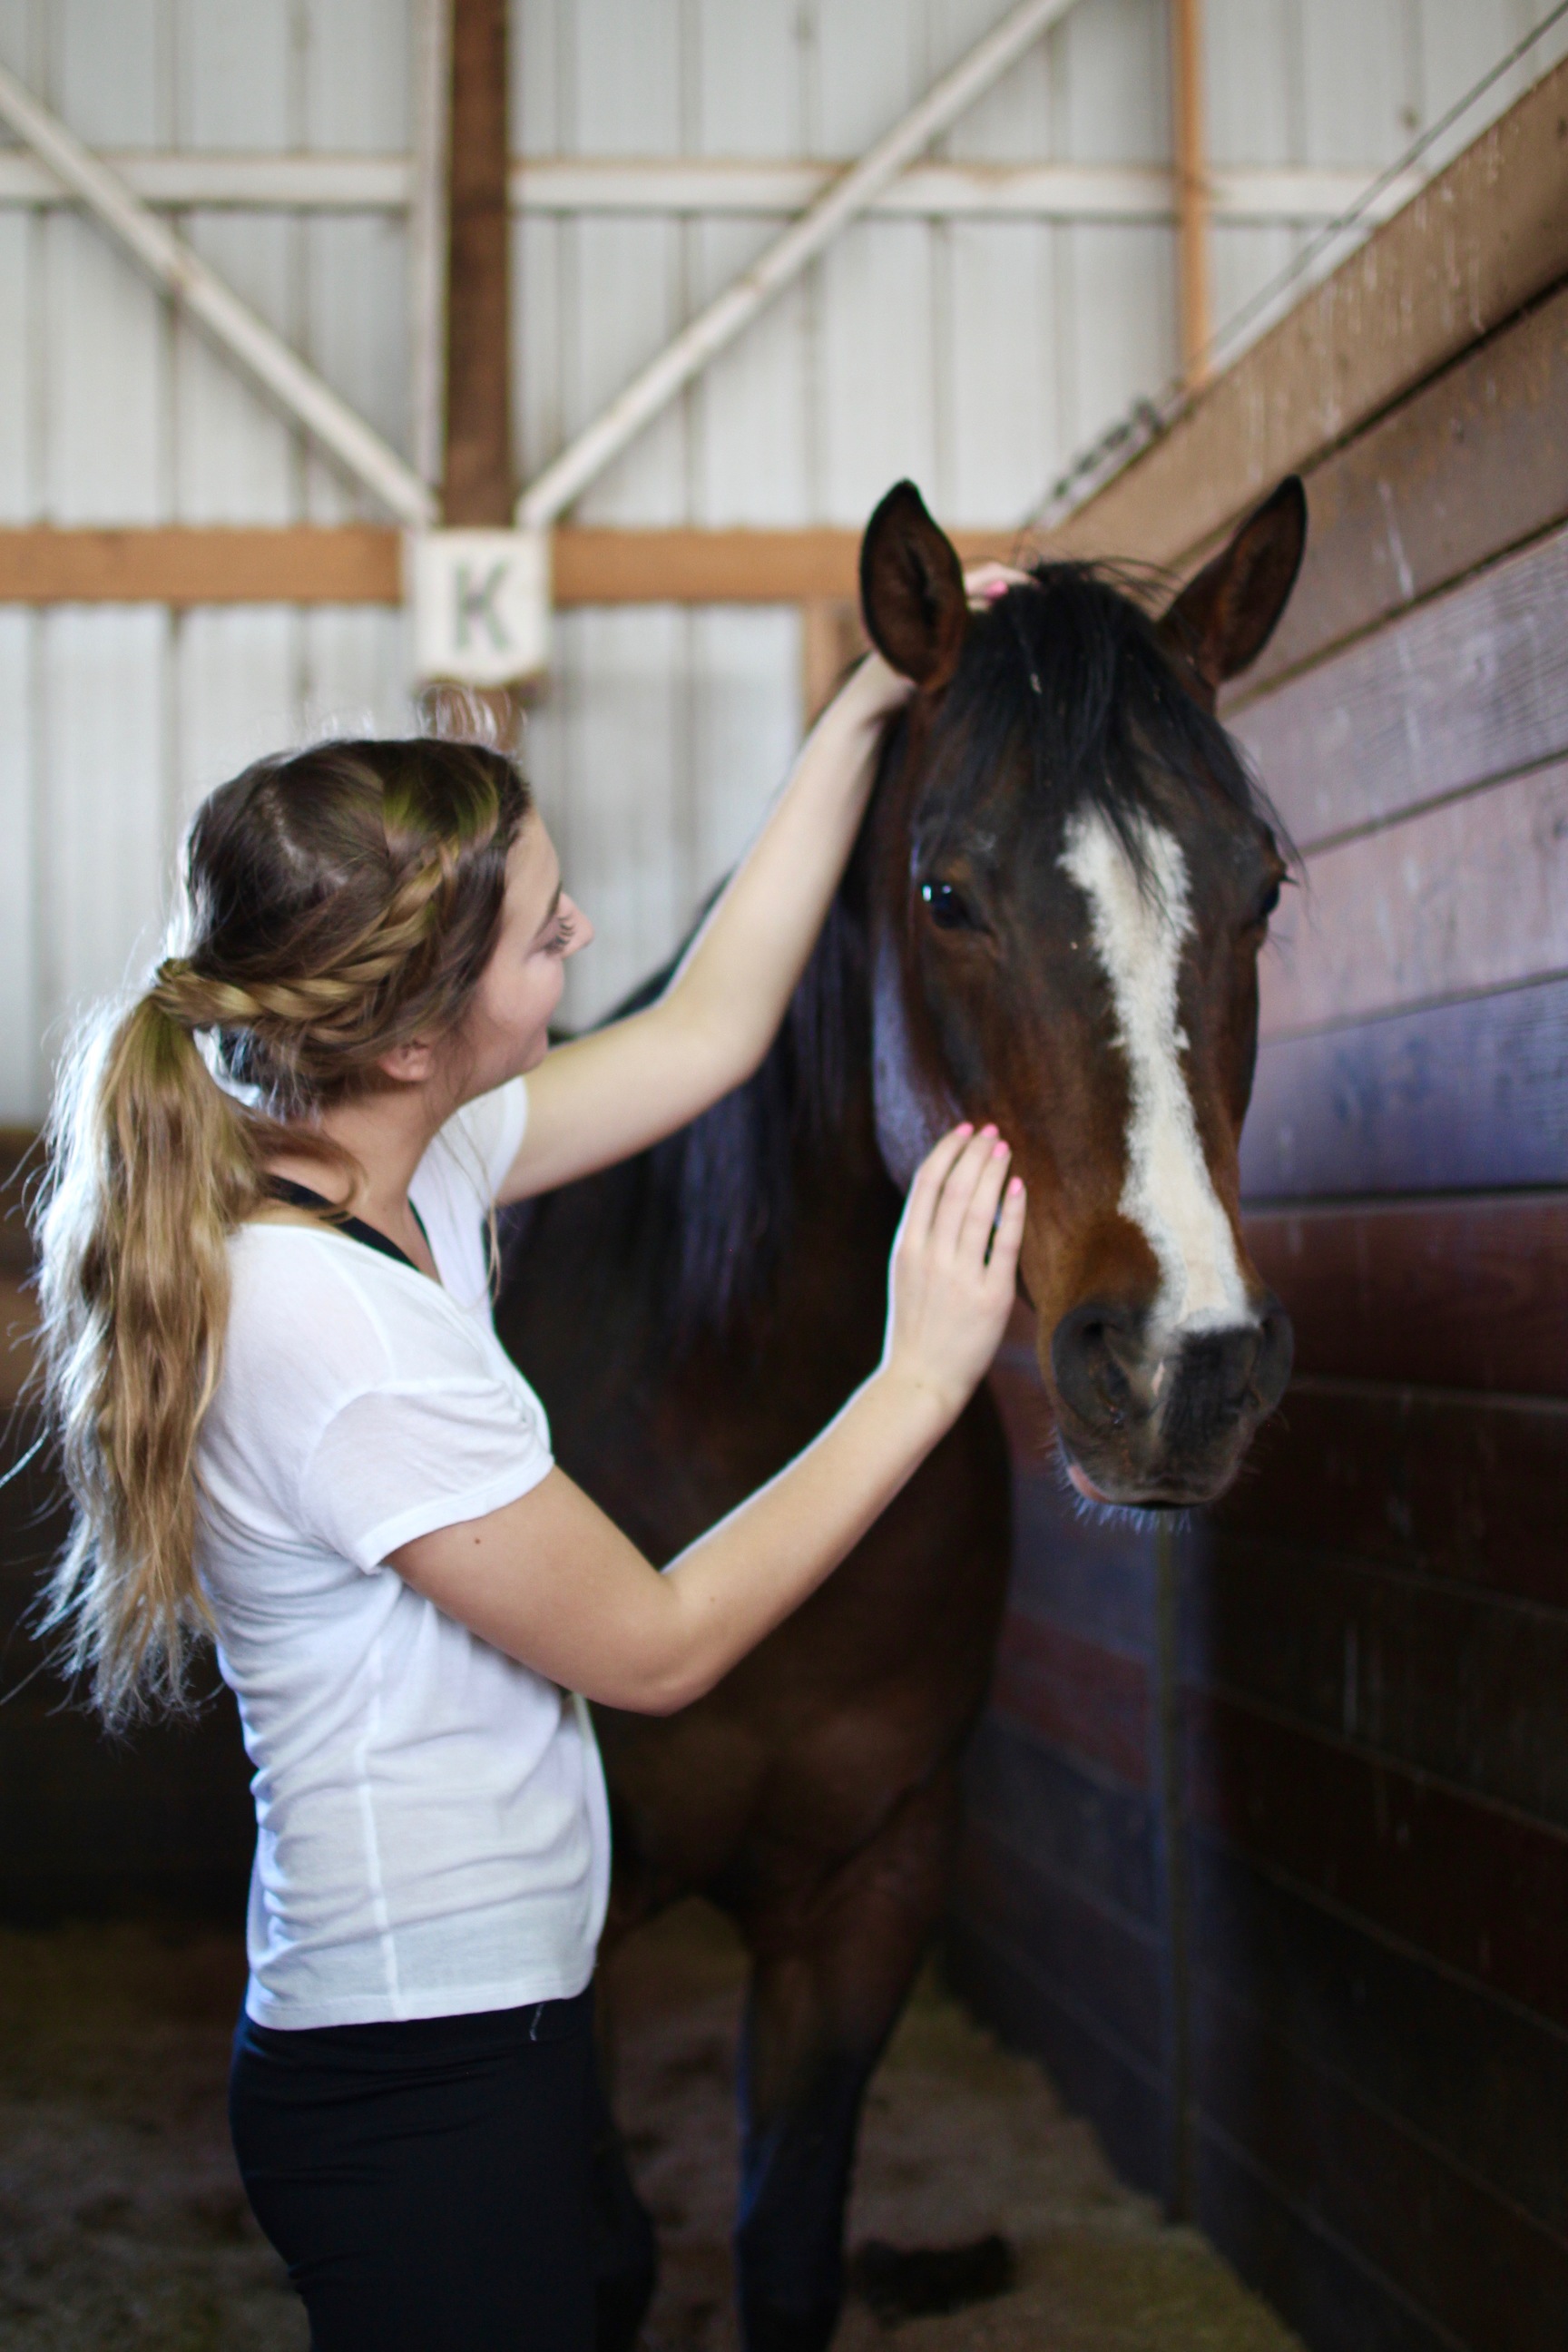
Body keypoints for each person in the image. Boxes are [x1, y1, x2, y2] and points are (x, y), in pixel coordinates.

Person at [34, 642, 1025, 2352]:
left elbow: (713, 1028)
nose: (582, 943)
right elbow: (651, 1647)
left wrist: (863, 714)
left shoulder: (397, 1164)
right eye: (545, 933)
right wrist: (919, 1380)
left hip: (478, 2025)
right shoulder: (330, 1329)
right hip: (418, 2075)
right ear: (420, 1032)